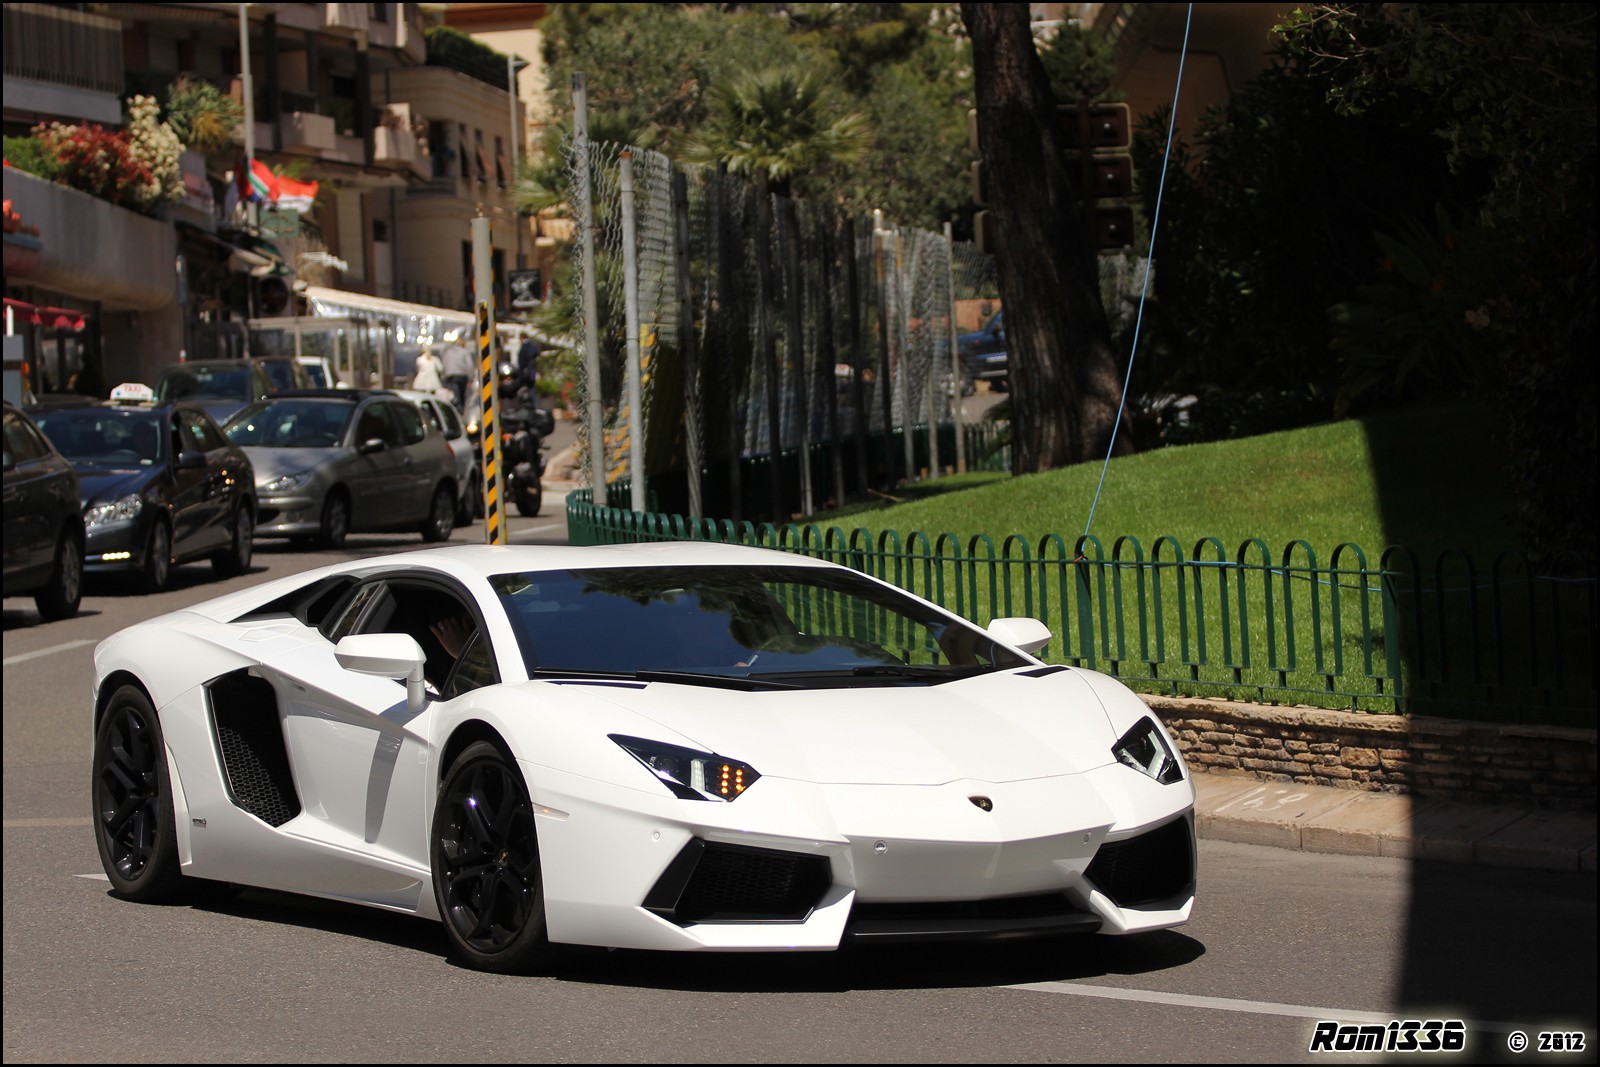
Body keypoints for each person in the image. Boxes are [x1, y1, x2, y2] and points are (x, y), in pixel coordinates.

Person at [440, 337, 474, 411]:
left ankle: (457, 408)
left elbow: (444, 364)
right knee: (461, 393)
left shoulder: (448, 352)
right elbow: (469, 365)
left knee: (454, 393)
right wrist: (471, 376)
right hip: (462, 376)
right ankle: (460, 408)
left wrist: (444, 375)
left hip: (451, 375)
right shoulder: (465, 352)